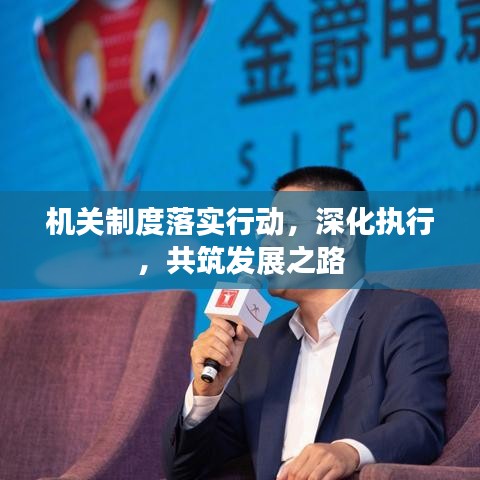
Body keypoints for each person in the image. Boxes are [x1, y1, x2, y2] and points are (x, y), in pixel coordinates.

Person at [162, 166, 450, 480]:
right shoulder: (261, 346)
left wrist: (348, 453)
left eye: (284, 226)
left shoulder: (402, 317)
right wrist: (206, 392)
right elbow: (184, 470)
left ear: (340, 238)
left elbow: (418, 427)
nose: (266, 244)